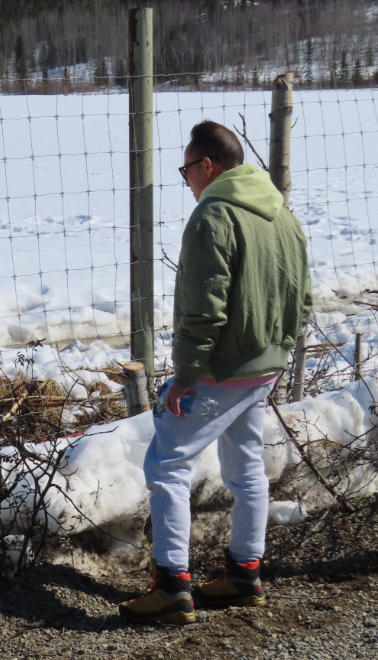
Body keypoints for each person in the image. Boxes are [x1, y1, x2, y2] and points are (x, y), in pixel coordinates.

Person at [119, 120, 313, 625]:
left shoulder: (214, 217)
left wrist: (185, 373)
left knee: (167, 466)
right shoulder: (282, 215)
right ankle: (244, 574)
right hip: (264, 367)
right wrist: (280, 350)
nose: (186, 181)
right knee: (247, 466)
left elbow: (202, 308)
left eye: (186, 170)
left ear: (207, 165)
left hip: (219, 371)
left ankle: (171, 587)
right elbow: (304, 297)